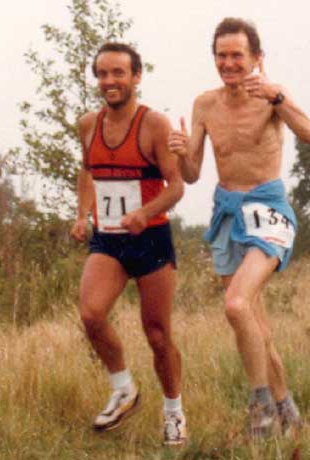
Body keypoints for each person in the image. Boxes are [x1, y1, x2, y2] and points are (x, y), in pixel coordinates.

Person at [168, 17, 310, 438]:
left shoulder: (272, 97)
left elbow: (309, 133)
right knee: (252, 322)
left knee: (235, 305)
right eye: (222, 55)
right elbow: (193, 173)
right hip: (228, 212)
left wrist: (279, 96)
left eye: (237, 55)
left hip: (269, 210)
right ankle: (288, 410)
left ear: (256, 58)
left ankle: (261, 407)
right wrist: (181, 153)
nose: (229, 63)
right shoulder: (205, 105)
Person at [71, 42, 187, 446]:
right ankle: (123, 387)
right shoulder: (88, 124)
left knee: (157, 334)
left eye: (118, 73)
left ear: (136, 76)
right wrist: (82, 214)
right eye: (102, 74)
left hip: (150, 238)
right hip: (109, 239)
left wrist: (144, 211)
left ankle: (174, 412)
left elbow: (177, 188)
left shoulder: (154, 124)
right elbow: (88, 171)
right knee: (91, 314)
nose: (109, 81)